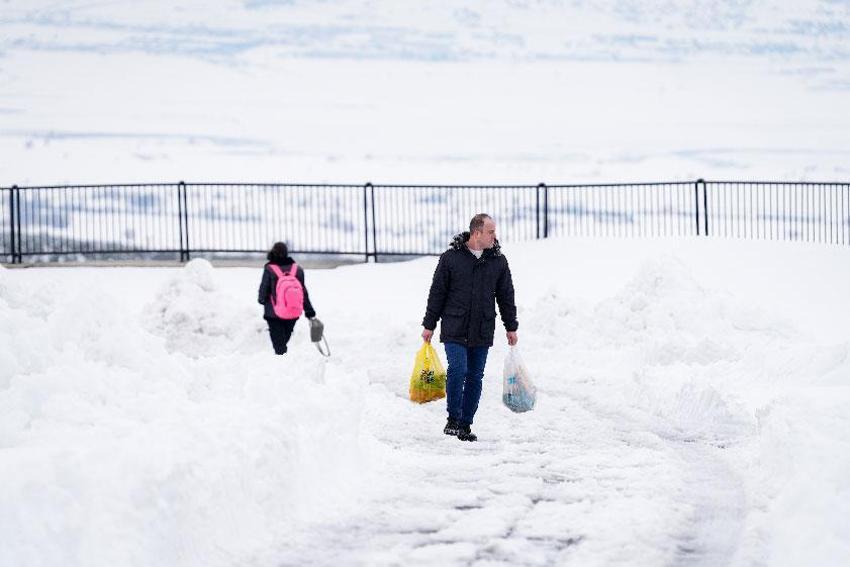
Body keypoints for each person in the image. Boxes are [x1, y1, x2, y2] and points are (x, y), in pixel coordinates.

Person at [421, 214, 519, 442]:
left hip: (482, 328)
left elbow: (506, 296)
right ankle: (453, 419)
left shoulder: (498, 262)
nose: (495, 236)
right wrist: (429, 324)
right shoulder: (451, 259)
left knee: (475, 376)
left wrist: (511, 326)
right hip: (454, 325)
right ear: (477, 233)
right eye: (490, 231)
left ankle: (465, 424)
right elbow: (437, 294)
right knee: (458, 369)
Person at [258, 242, 317, 355]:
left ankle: (281, 364)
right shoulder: (297, 270)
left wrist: (261, 299)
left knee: (279, 346)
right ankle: (284, 362)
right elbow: (303, 292)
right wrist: (309, 311)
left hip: (273, 313)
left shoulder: (270, 269)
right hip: (292, 312)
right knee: (284, 341)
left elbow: (264, 289)